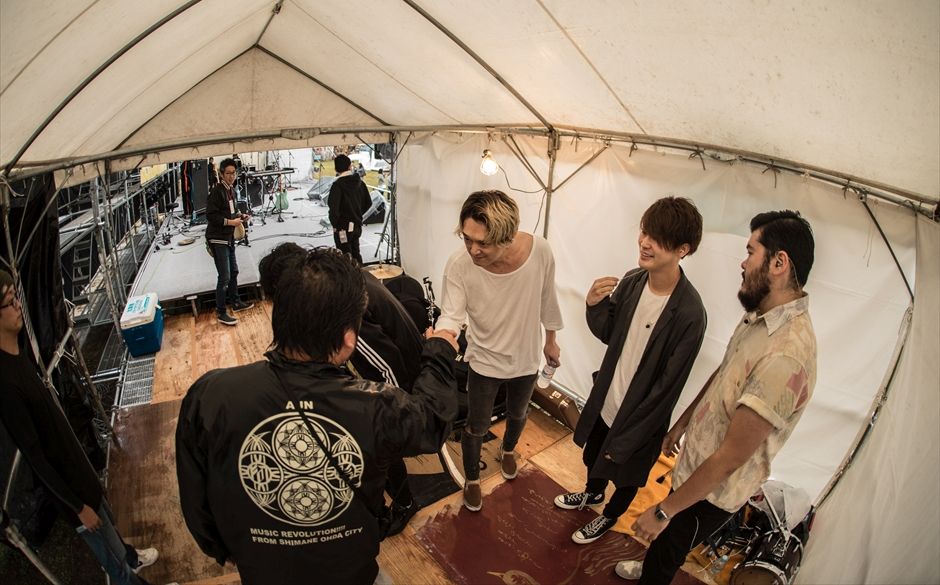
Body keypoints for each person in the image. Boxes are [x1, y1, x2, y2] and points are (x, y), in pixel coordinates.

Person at [176, 248, 459, 585]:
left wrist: (226, 549)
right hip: (351, 572)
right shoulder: (375, 407)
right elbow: (432, 420)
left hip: (262, 572)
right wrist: (440, 349)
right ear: (348, 340)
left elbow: (196, 498)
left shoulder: (210, 394)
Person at [616, 210, 817, 584]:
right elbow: (725, 373)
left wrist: (663, 511)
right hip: (696, 468)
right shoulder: (761, 316)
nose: (743, 263)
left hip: (712, 491)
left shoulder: (786, 355)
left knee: (667, 551)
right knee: (665, 545)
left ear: (778, 263)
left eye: (751, 252)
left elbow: (730, 458)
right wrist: (683, 424)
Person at [555, 197, 706, 545]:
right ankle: (592, 494)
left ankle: (609, 516)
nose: (645, 242)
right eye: (645, 232)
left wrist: (632, 433)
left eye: (658, 238)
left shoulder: (690, 313)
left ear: (683, 249)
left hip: (641, 419)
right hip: (609, 398)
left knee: (627, 477)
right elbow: (610, 333)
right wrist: (594, 305)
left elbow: (668, 387)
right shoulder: (633, 280)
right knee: (594, 456)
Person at [0, 270, 159, 585]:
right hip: (75, 495)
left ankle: (131, 557)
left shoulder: (19, 354)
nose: (18, 305)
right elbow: (36, 458)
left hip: (81, 475)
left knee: (115, 538)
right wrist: (77, 507)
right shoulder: (5, 383)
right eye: (8, 301)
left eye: (16, 296)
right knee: (116, 568)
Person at [257, 243, 425, 535]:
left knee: (379, 441)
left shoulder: (345, 308)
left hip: (400, 376)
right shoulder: (339, 282)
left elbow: (386, 366)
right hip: (385, 367)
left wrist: (392, 414)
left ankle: (404, 503)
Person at [436, 190, 563, 512]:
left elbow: (548, 297)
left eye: (483, 243)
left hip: (525, 357)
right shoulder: (460, 265)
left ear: (507, 237)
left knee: (518, 413)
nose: (473, 250)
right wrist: (443, 335)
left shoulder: (540, 251)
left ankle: (507, 450)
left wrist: (550, 340)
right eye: (467, 239)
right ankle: (472, 479)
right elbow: (451, 314)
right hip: (483, 360)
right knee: (476, 425)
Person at [205, 158, 253, 326]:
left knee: (234, 271)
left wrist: (240, 216)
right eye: (228, 173)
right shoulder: (217, 191)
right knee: (224, 276)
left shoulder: (230, 190)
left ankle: (236, 302)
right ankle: (221, 312)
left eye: (234, 173)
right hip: (218, 238)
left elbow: (232, 211)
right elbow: (211, 216)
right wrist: (231, 222)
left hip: (228, 237)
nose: (232, 176)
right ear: (221, 174)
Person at [328, 154, 372, 265]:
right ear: (349, 166)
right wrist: (357, 214)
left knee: (345, 257)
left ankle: (350, 276)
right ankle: (360, 274)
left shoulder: (337, 186)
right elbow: (368, 203)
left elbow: (333, 209)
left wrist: (335, 225)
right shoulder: (360, 183)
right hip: (356, 226)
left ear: (336, 169)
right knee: (356, 253)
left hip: (342, 228)